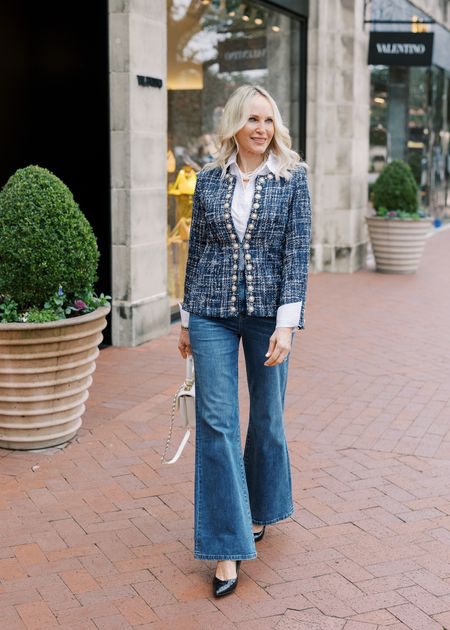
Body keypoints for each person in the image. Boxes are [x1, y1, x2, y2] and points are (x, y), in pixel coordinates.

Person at [177, 84, 311, 598]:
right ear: (234, 123)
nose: (261, 129)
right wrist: (187, 319)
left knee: (269, 418)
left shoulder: (293, 179)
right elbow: (197, 250)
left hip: (267, 317)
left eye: (269, 120)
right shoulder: (208, 180)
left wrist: (286, 322)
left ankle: (262, 506)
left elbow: (296, 253)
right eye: (252, 119)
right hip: (211, 312)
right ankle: (226, 547)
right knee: (216, 423)